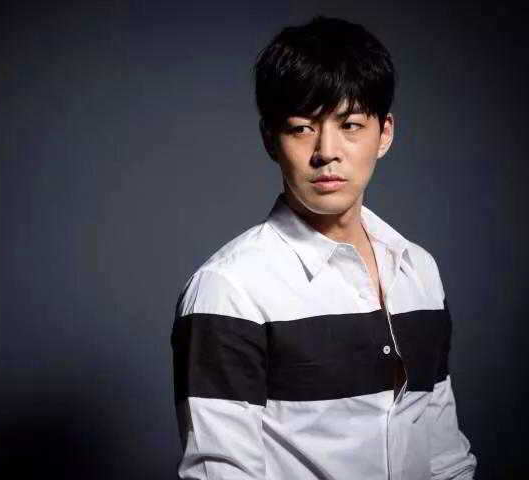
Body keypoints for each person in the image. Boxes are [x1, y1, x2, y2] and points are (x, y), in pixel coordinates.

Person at [170, 15, 477, 479]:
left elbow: (443, 455)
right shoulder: (228, 289)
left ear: (385, 133)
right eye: (301, 128)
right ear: (270, 139)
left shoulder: (418, 270)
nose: (326, 151)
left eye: (350, 124)